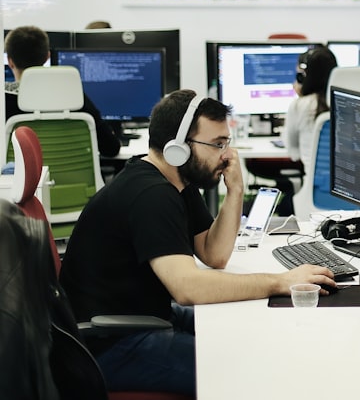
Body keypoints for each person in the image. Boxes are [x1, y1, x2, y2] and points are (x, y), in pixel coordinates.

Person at [58, 90, 337, 396]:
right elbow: (187, 288)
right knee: (252, 366)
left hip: (143, 317)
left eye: (226, 143)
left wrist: (235, 190)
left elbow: (214, 254)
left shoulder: (177, 182)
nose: (227, 155)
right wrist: (279, 282)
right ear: (178, 148)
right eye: (217, 144)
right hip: (109, 344)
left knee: (251, 329)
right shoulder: (150, 195)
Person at [4, 25, 121, 158]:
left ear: (10, 61)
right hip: (76, 178)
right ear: (47, 57)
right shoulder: (73, 96)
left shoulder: (4, 101)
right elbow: (111, 149)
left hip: (21, 178)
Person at [283, 46, 338, 176]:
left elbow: (294, 153)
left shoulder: (299, 105)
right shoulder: (344, 104)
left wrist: (301, 95)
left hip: (314, 189)